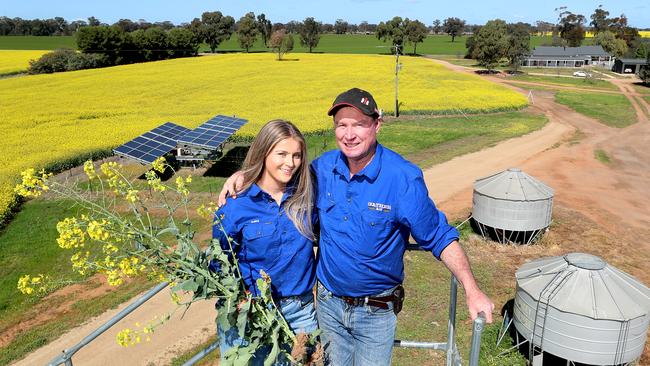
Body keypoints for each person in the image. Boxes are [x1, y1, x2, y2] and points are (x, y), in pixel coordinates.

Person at [220, 88, 494, 366]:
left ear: (377, 124)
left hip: (376, 313)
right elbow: (278, 176)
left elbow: (438, 236)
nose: (349, 135)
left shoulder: (402, 178)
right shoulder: (321, 170)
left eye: (359, 124)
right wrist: (244, 175)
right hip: (327, 308)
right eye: (342, 125)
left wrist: (472, 289)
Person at [213, 119, 318, 364]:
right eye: (281, 154)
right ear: (263, 152)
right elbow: (219, 263)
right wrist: (237, 298)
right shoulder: (236, 204)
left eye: (296, 155)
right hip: (251, 313)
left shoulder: (307, 195)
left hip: (300, 312)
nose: (290, 163)